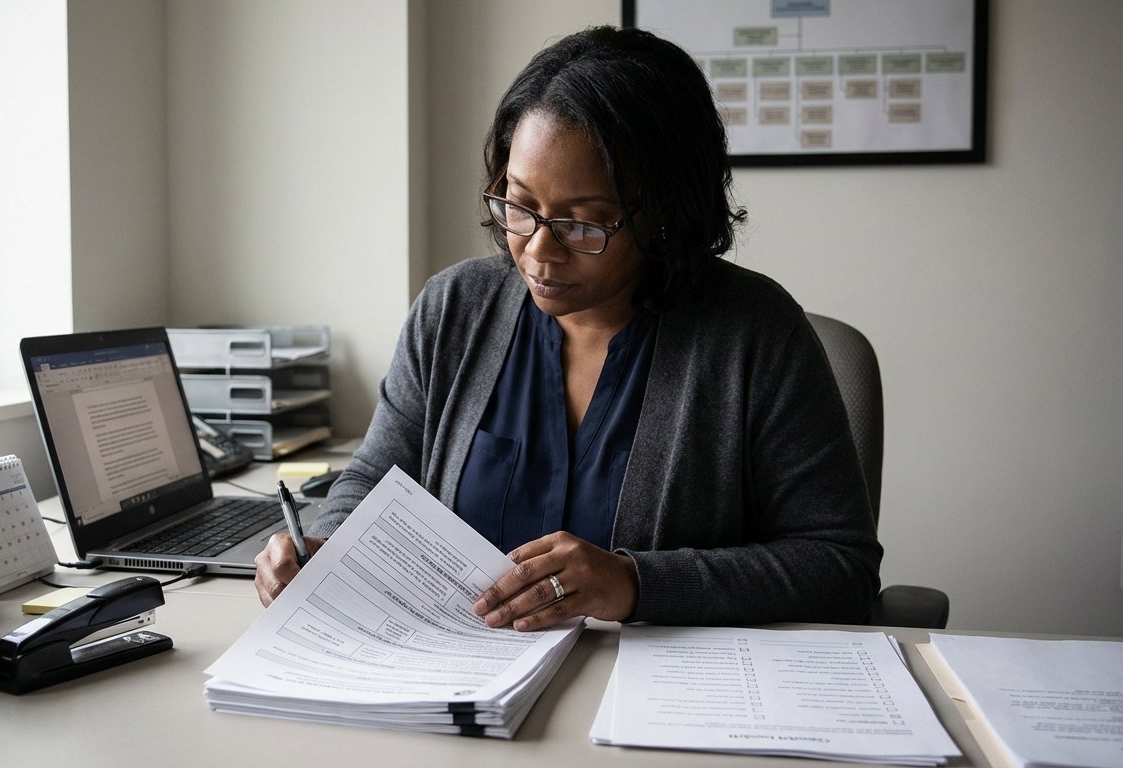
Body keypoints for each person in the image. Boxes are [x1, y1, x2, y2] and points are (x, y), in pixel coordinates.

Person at [255, 26, 881, 630]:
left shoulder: (755, 334)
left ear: (665, 214)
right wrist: (323, 549)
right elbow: (370, 481)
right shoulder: (453, 310)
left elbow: (840, 567)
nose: (537, 252)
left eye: (584, 224)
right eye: (519, 206)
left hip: (658, 705)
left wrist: (635, 583)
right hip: (463, 689)